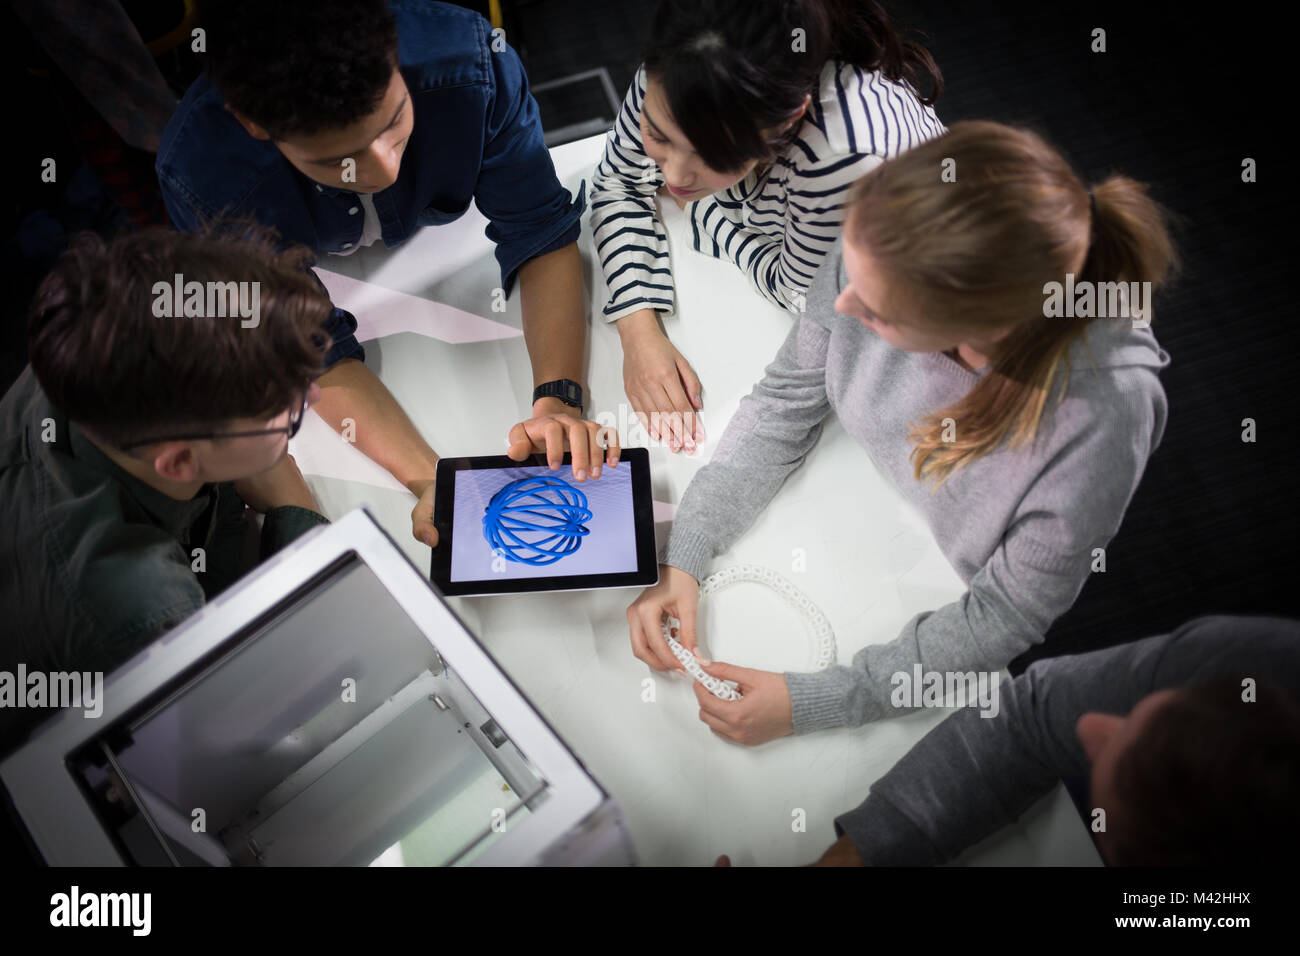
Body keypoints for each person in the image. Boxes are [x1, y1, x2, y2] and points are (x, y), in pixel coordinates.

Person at [628, 121, 1178, 745]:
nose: (841, 306)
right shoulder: (879, 242)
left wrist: (817, 701)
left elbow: (1005, 614)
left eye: (879, 312)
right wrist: (686, 553)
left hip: (944, 587)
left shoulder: (1102, 420)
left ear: (979, 334)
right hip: (872, 524)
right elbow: (785, 401)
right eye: (851, 274)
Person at [157, 0, 619, 548]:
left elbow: (539, 227)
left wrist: (558, 399)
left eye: (395, 123)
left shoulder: (469, 63)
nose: (383, 170)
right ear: (254, 124)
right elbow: (313, 349)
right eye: (335, 161)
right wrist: (431, 480)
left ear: (395, 54)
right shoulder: (204, 178)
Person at [0, 227, 337, 751]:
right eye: (286, 413)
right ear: (179, 462)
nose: (312, 396)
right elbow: (245, 726)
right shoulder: (143, 612)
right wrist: (296, 515)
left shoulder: (91, 345)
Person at [590, 0, 944, 453]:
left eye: (714, 156)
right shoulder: (684, 64)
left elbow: (804, 296)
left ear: (789, 118)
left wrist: (702, 216)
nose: (675, 176)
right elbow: (619, 180)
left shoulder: (842, 160)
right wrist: (637, 329)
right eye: (658, 136)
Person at [771, 615, 1300, 866]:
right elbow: (1029, 720)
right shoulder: (1238, 667)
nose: (1092, 725)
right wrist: (861, 854)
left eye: (1121, 754)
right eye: (1145, 714)